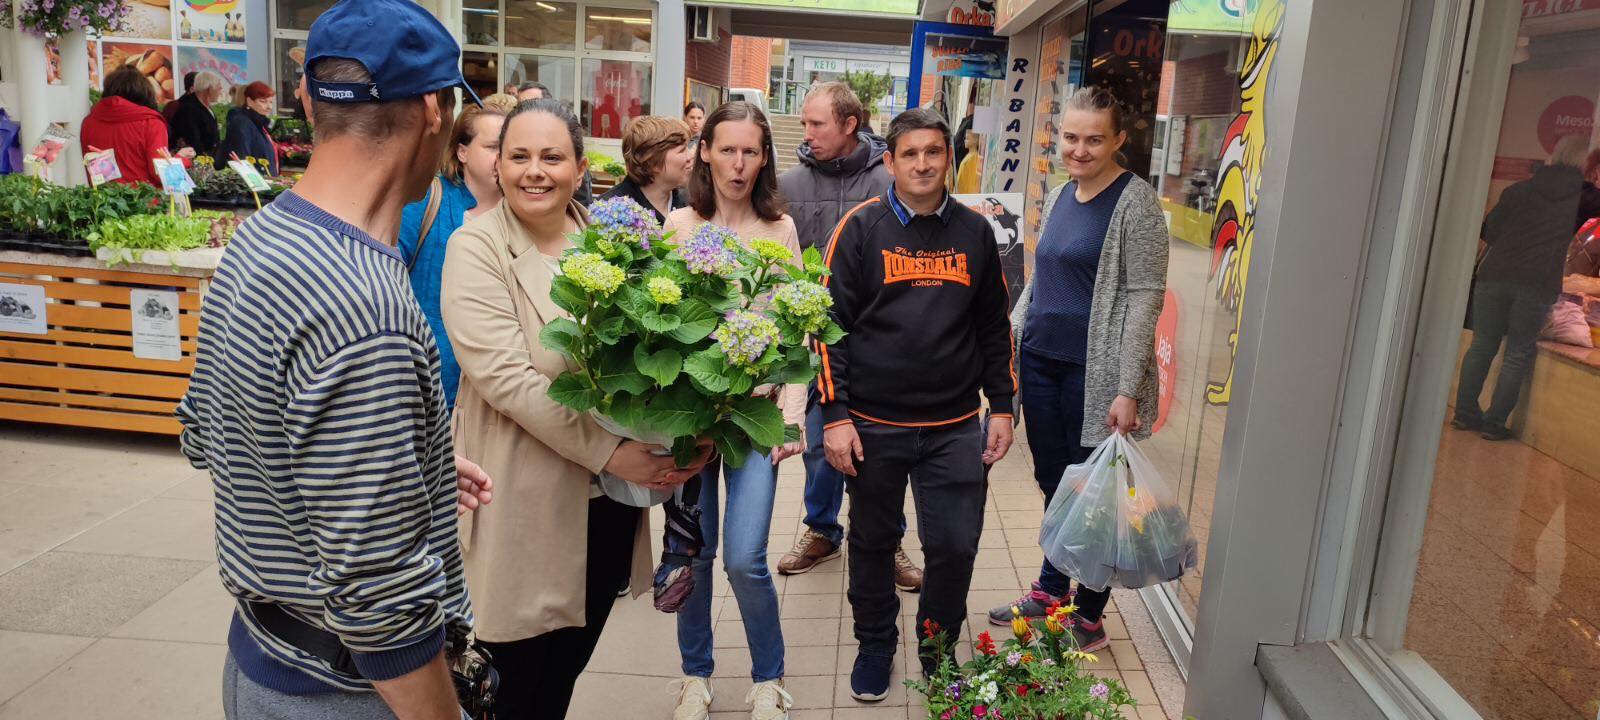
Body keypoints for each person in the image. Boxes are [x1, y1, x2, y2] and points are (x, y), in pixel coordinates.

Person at [173, 0, 488, 716]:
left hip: (262, 662)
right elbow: (382, 603)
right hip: (345, 693)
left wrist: (405, 462)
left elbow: (204, 433)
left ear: (310, 99)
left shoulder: (262, 237)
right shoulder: (363, 305)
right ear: (436, 110)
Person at [440, 99, 711, 719]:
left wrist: (690, 432)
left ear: (580, 166)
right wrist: (616, 452)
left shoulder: (608, 241)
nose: (535, 171)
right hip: (523, 500)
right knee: (512, 681)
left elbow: (656, 355)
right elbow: (506, 379)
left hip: (606, 506)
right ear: (498, 166)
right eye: (519, 156)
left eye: (552, 156)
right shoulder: (475, 247)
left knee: (564, 671)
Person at [819, 107, 1015, 700]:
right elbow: (828, 328)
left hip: (956, 426)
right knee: (874, 543)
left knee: (955, 546)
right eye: (911, 153)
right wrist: (835, 415)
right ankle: (875, 646)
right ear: (890, 161)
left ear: (948, 160)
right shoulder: (860, 228)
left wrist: (1002, 406)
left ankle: (936, 653)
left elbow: (993, 325)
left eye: (934, 152)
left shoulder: (976, 232)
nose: (923, 163)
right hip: (874, 425)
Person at [986, 86, 1170, 652]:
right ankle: (1050, 589)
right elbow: (1045, 277)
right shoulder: (1065, 192)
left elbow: (1144, 299)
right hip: (1043, 361)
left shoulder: (1135, 205)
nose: (1080, 149)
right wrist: (1011, 332)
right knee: (1055, 485)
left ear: (1118, 140)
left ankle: (1087, 616)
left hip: (1096, 376)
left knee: (1094, 496)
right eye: (1070, 137)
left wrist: (1126, 387)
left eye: (1094, 139)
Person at [661, 101, 805, 720]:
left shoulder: (782, 231)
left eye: (750, 151)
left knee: (746, 557)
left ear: (764, 157)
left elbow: (802, 330)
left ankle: (768, 677)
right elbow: (660, 334)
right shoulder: (679, 226)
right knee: (693, 555)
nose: (738, 163)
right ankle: (695, 675)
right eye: (727, 149)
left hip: (753, 422)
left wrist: (791, 412)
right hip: (690, 424)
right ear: (704, 152)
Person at [774, 81, 919, 592]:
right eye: (805, 122)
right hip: (815, 342)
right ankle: (821, 530)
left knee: (882, 447)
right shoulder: (788, 185)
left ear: (850, 124)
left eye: (817, 123)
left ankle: (888, 538)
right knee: (818, 442)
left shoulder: (889, 181)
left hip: (878, 344)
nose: (806, 132)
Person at [1453, 134, 1590, 441]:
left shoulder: (1519, 190)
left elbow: (1489, 230)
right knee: (1517, 352)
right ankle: (1494, 423)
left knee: (1482, 344)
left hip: (1495, 275)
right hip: (1537, 282)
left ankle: (1464, 414)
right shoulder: (1580, 200)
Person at [397, 102, 509, 412]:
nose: (503, 158)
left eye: (511, 148)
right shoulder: (425, 200)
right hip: (429, 388)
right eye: (492, 147)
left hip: (496, 392)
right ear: (462, 151)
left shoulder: (522, 214)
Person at [82, 65, 193, 186]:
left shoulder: (89, 122)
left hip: (103, 200)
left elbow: (96, 171)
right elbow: (160, 174)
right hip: (143, 201)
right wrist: (183, 159)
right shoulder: (151, 123)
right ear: (144, 91)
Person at [599, 115, 691, 224]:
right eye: (682, 150)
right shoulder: (609, 211)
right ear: (652, 162)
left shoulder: (691, 205)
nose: (690, 157)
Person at [517, 81, 593, 204]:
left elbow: (582, 201)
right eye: (521, 105)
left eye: (552, 158)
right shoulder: (510, 140)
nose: (534, 171)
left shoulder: (565, 139)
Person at [219, 81, 280, 175]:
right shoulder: (243, 123)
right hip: (255, 184)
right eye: (263, 101)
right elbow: (241, 158)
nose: (269, 107)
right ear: (249, 101)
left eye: (271, 102)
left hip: (266, 182)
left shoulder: (259, 123)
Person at [169, 70, 227, 157]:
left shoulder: (205, 106)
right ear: (209, 89)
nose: (221, 90)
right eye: (218, 87)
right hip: (195, 162)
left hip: (209, 159)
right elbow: (193, 142)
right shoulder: (188, 109)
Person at [955, 125, 982, 194]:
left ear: (975, 140)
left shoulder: (974, 158)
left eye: (967, 138)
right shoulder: (969, 156)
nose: (964, 141)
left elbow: (972, 182)